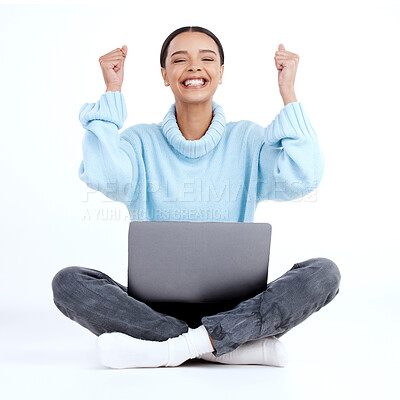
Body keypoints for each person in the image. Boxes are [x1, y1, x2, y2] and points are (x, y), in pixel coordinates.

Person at [51, 26, 341, 369]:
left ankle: (174, 347)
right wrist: (112, 91)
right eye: (179, 59)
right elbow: (105, 174)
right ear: (164, 75)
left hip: (237, 306)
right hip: (152, 309)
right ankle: (224, 345)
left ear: (220, 73)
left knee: (324, 273)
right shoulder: (141, 142)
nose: (194, 67)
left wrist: (288, 93)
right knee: (69, 282)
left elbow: (304, 176)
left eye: (206, 59)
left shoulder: (246, 139)